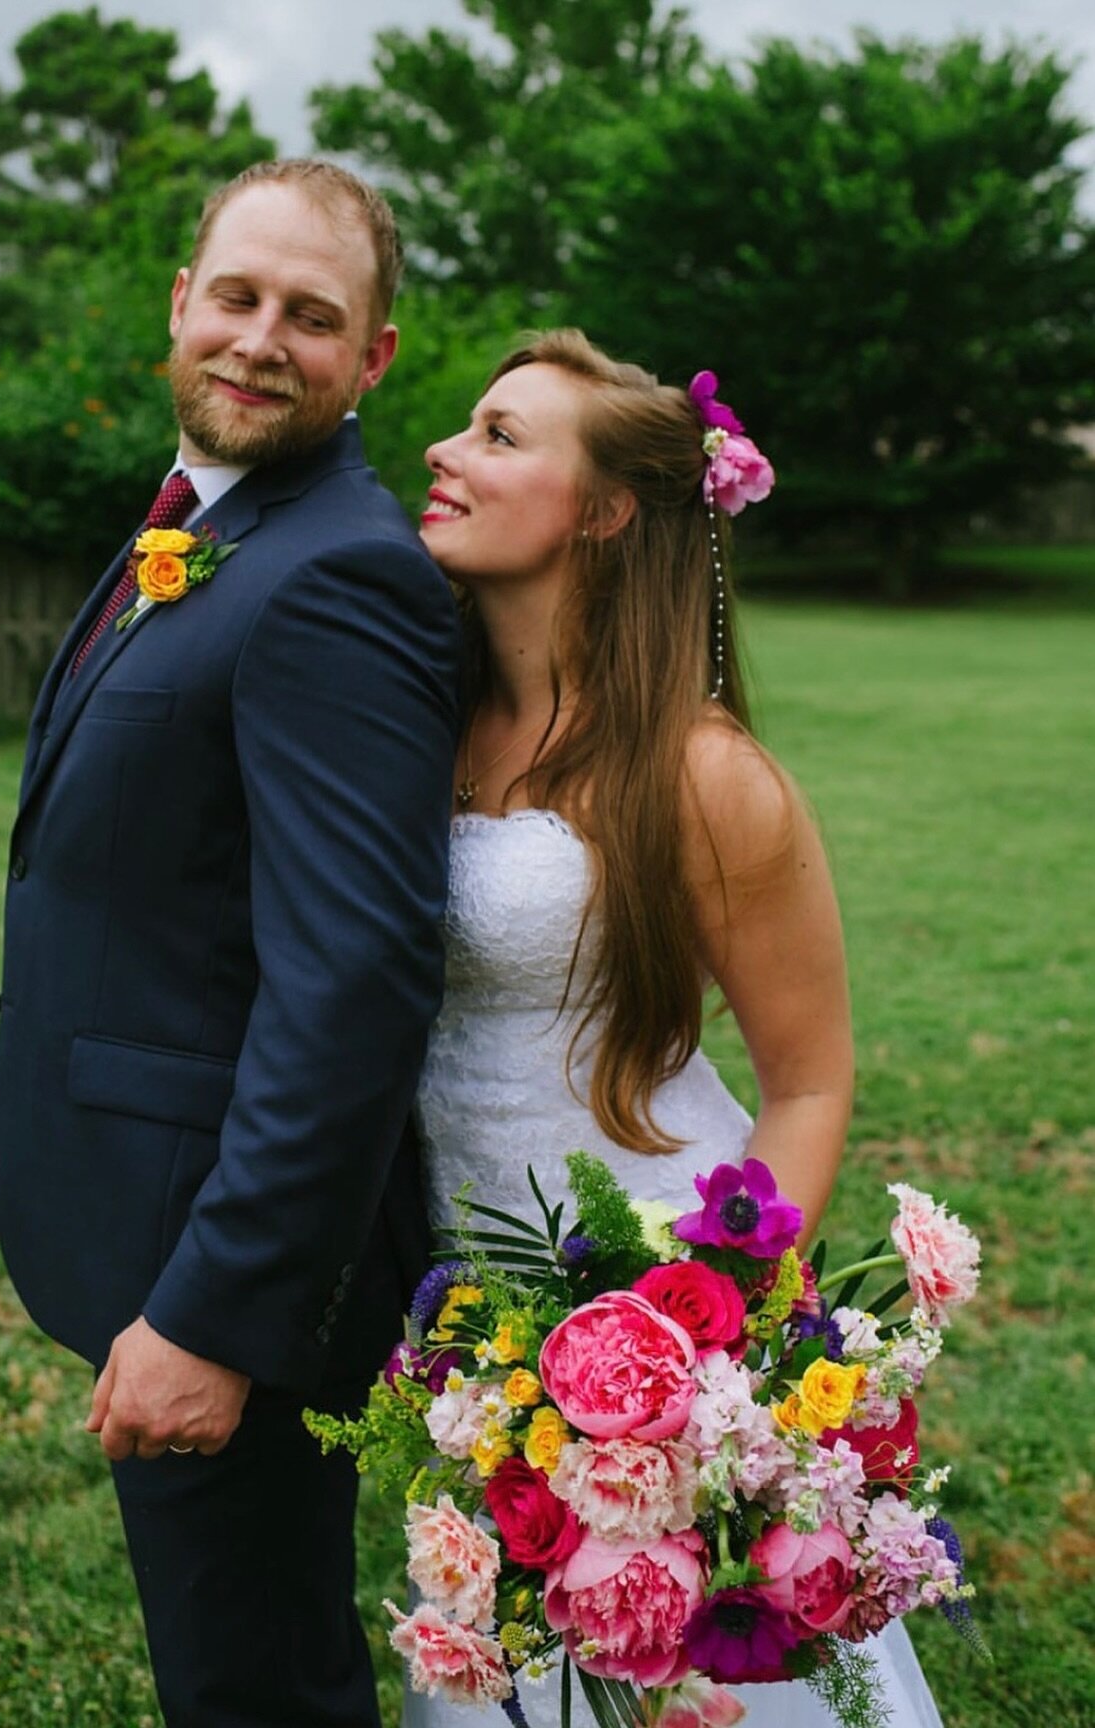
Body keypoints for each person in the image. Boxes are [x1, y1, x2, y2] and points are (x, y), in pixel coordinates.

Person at [406, 330, 944, 1727]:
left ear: (603, 511)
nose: (443, 453)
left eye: (500, 436)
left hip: (655, 1301)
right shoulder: (422, 725)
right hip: (477, 1310)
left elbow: (811, 1082)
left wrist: (706, 1336)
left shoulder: (704, 773)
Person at [0, 159, 461, 1727]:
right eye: (239, 298)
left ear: (374, 357)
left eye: (312, 317)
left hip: (220, 1264)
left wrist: (212, 1315)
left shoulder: (344, 574)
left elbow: (354, 985)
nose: (264, 339)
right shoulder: (202, 523)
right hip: (147, 1222)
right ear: (178, 307)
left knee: (257, 1688)